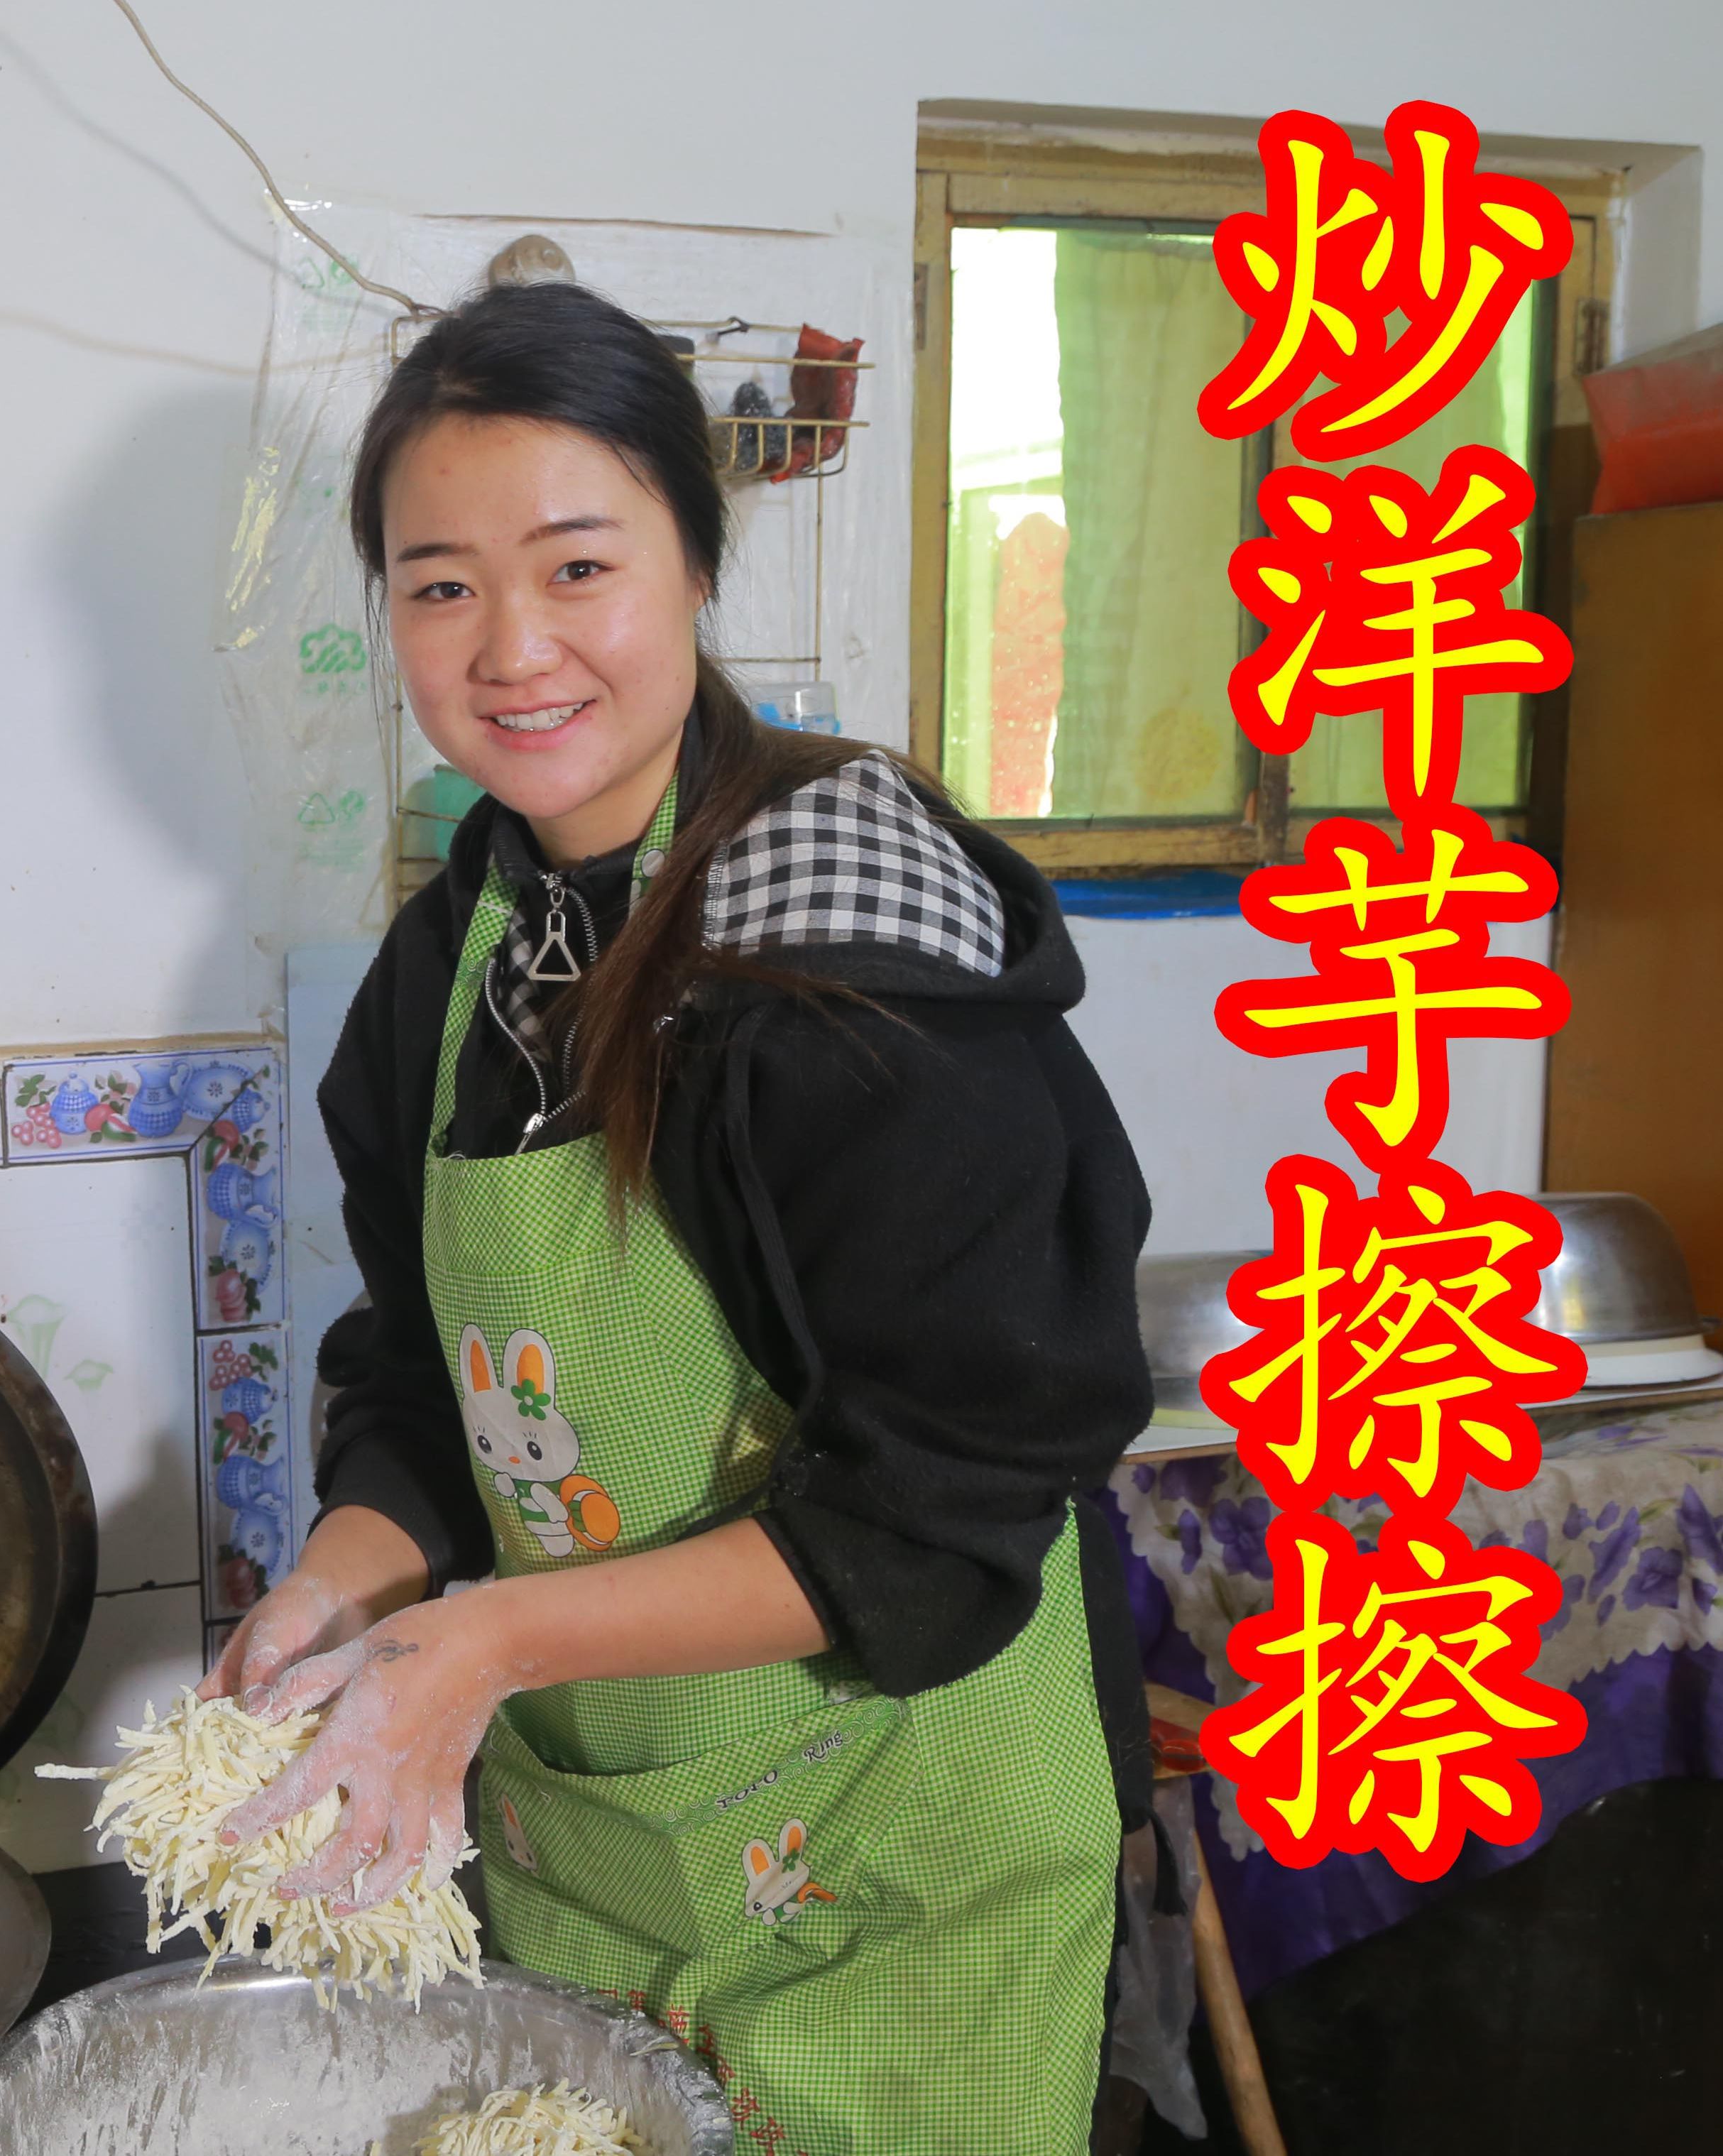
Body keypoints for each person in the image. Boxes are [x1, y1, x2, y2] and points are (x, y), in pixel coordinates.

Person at [202, 279, 1154, 2152]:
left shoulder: (848, 948)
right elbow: (429, 1378)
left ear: (697, 567)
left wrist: (482, 1644)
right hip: (610, 1848)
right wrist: (340, 1595)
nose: (511, 647)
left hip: (902, 1858)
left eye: (578, 567)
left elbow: (942, 1504)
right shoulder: (445, 967)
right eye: (440, 586)